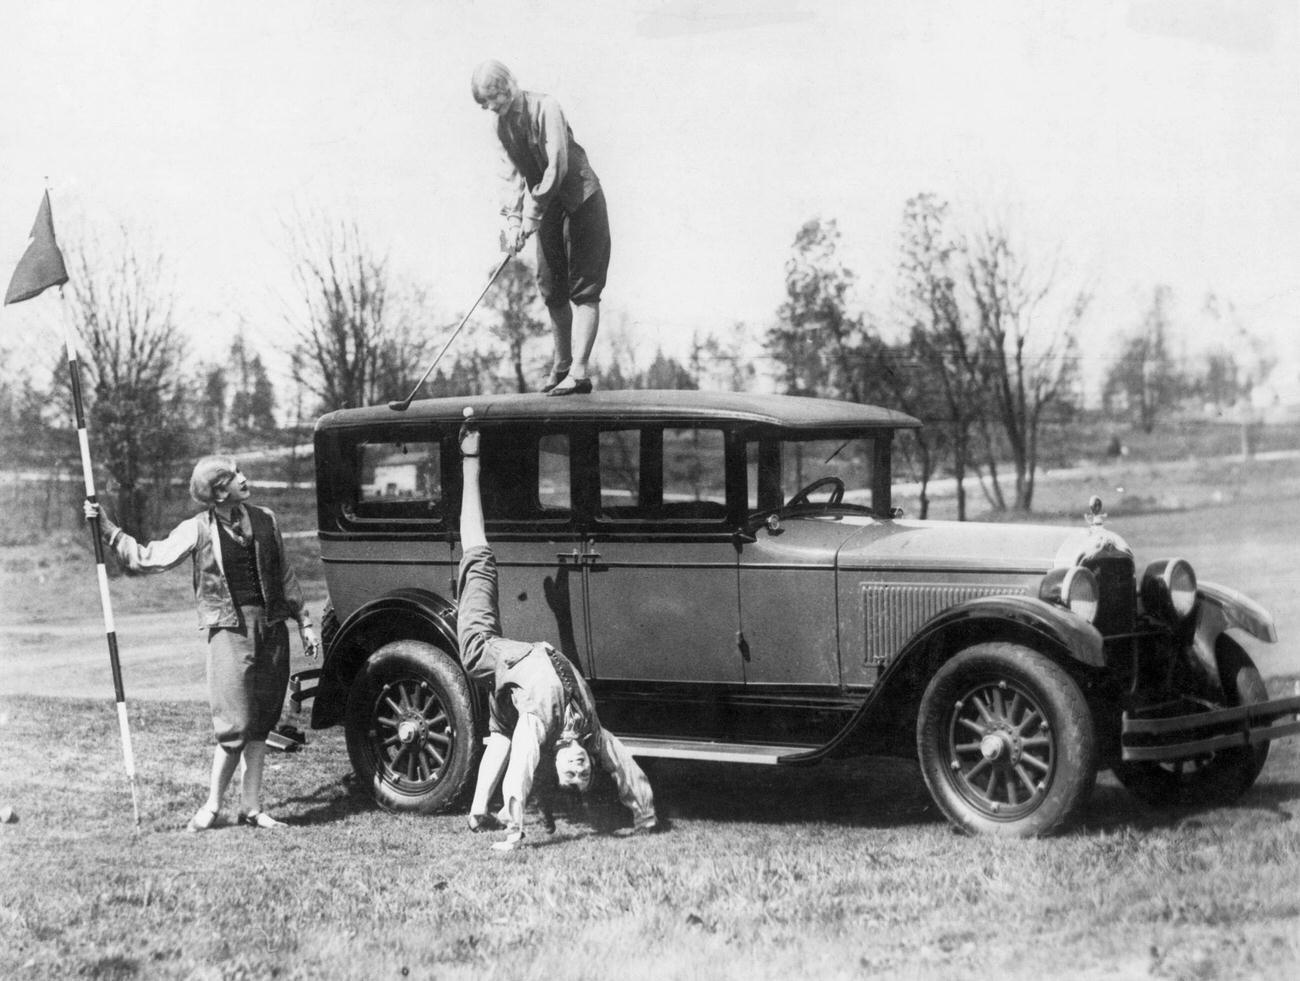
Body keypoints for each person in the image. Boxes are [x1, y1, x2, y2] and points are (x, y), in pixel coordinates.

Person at [455, 409, 657, 848]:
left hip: (487, 652)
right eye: (585, 771)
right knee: (500, 732)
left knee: (478, 558)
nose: (580, 767)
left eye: (571, 773)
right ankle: (476, 811)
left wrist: (515, 829)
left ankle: (469, 461)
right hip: (527, 661)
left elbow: (523, 768)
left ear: (559, 766)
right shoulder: (590, 731)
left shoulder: (539, 725)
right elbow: (621, 763)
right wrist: (643, 812)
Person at [84, 457, 319, 831]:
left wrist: (304, 622)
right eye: (235, 476)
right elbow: (150, 558)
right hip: (229, 632)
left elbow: (285, 574)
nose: (245, 479)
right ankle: (211, 807)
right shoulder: (197, 529)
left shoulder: (266, 519)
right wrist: (110, 531)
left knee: (261, 724)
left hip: (272, 629)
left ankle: (252, 807)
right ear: (219, 490)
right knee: (235, 726)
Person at [471, 59, 610, 396]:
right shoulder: (500, 126)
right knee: (551, 287)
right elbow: (510, 176)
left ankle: (578, 371)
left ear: (509, 86)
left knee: (584, 289)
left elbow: (556, 166)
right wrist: (513, 222)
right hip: (547, 208)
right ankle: (561, 365)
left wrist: (530, 216)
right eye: (487, 104)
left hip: (580, 198)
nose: (493, 108)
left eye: (496, 98)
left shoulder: (546, 107)